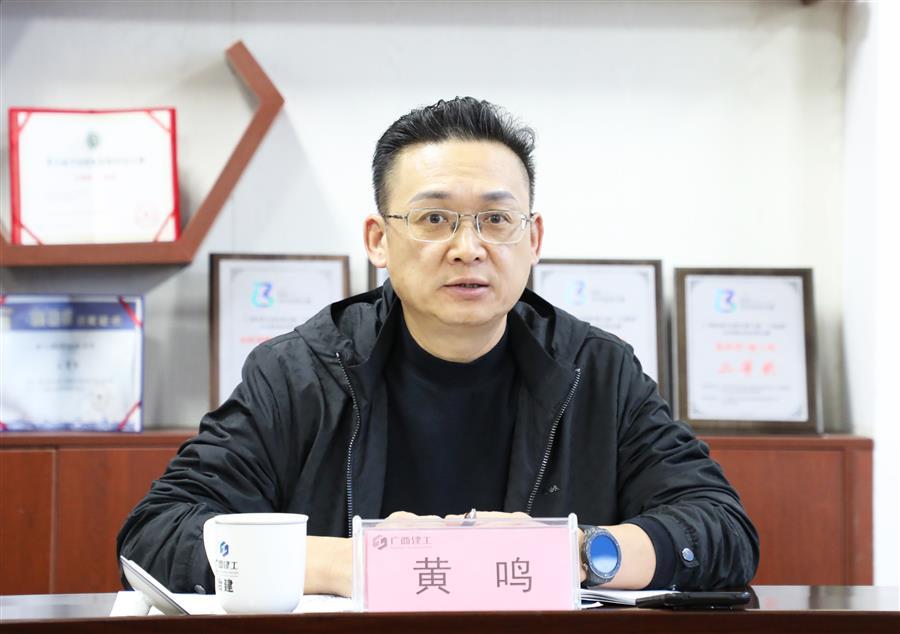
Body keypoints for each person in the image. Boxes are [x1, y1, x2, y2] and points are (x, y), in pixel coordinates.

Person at [117, 97, 758, 597]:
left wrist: (579, 552)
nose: (468, 247)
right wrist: (359, 563)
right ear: (378, 239)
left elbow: (721, 528)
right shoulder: (299, 372)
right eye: (433, 219)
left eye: (496, 219)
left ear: (533, 239)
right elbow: (156, 535)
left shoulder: (597, 371)